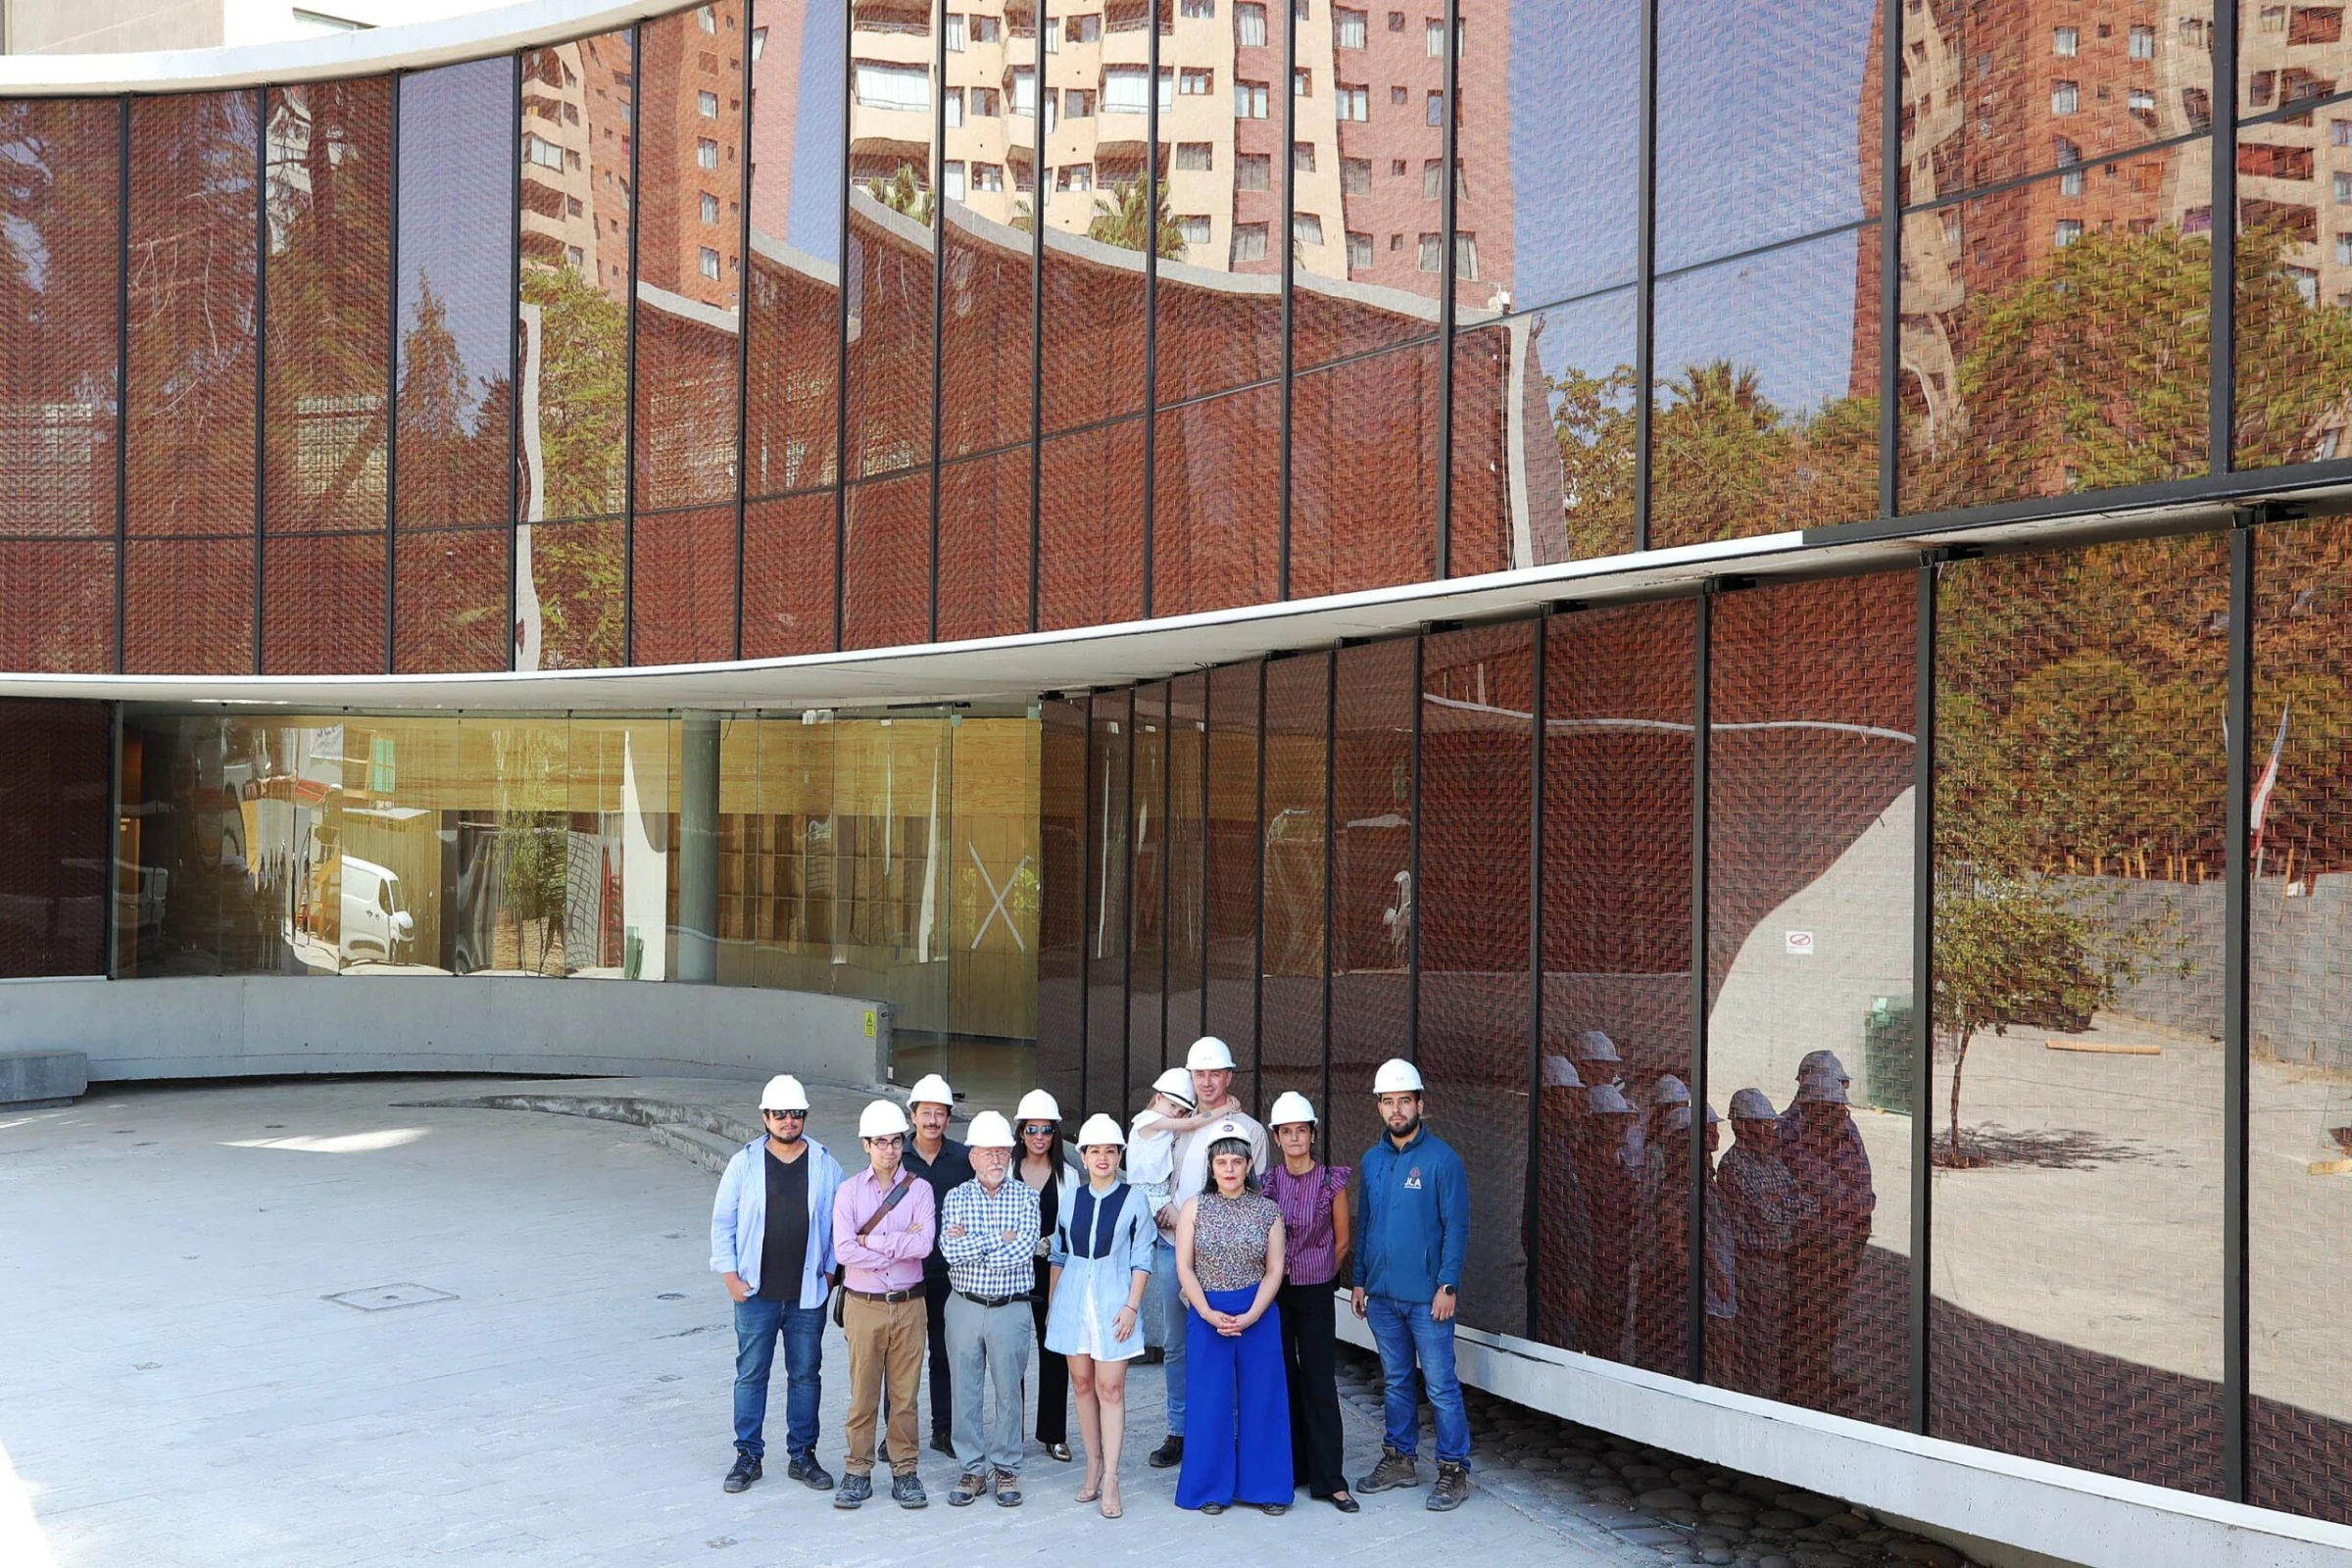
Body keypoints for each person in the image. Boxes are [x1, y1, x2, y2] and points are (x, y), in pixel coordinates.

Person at [709, 1074, 845, 1495]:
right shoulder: (743, 1163)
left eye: (796, 1114)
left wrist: (829, 1273)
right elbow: (723, 1222)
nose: (789, 1120)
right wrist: (730, 1276)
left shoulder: (825, 1162)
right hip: (755, 1293)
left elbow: (843, 1222)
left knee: (806, 1375)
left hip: (807, 1295)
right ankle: (748, 1455)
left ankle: (802, 1454)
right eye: (780, 1114)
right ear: (765, 1117)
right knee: (751, 1375)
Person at [1350, 1058, 1472, 1512]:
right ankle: (1400, 1460)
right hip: (1381, 1296)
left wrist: (1448, 1284)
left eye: (1404, 1100)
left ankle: (1453, 1470)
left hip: (1428, 1298)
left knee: (1440, 1384)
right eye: (1388, 1102)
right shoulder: (1372, 1160)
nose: (1397, 1109)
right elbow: (1367, 1225)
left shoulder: (1442, 1159)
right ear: (1380, 1108)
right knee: (1397, 1381)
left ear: (1420, 1103)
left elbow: (1456, 1227)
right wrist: (1359, 1281)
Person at [1150, 1036, 1269, 1470]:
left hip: (1229, 1260)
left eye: (1215, 1074)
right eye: (1199, 1074)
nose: (1207, 1082)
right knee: (1177, 1345)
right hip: (1171, 1251)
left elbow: (1257, 1197)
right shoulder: (1179, 1121)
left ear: (1228, 1076)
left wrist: (1187, 1219)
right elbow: (1154, 1171)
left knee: (1228, 1342)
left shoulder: (1250, 1131)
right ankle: (1180, 1430)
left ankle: (1227, 1432)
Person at [1174, 1121, 1294, 1514]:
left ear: (1248, 1165)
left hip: (1257, 1311)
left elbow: (1275, 1269)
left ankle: (1268, 1487)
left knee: (1264, 1399)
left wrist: (1253, 1314)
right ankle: (1209, 1487)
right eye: (1221, 1161)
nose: (1228, 1169)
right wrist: (1206, 1311)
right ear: (1211, 1166)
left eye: (1236, 1161)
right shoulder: (1193, 1207)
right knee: (1209, 1400)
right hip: (1207, 1312)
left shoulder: (1267, 1210)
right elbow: (1185, 1267)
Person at [1044, 1112, 1156, 1518]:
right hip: (1074, 1304)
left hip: (1113, 1307)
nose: (1103, 1158)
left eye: (1111, 1151)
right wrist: (1055, 1305)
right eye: (1096, 1151)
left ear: (1119, 1155)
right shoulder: (1070, 1197)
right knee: (1082, 1383)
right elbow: (1059, 1253)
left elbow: (1143, 1259)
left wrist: (1131, 1307)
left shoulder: (1134, 1199)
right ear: (1084, 1156)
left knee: (1111, 1389)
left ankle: (1111, 1477)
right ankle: (1091, 1465)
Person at [830, 1099, 938, 1509]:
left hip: (910, 1304)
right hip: (864, 1304)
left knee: (906, 1395)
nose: (889, 1150)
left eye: (895, 1142)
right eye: (881, 1142)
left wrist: (869, 1242)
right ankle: (857, 1470)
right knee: (863, 1394)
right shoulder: (848, 1192)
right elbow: (843, 1250)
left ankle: (904, 1469)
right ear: (865, 1145)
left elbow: (924, 1245)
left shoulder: (921, 1189)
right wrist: (898, 1245)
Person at [939, 1110, 1042, 1507]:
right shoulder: (956, 1197)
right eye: (987, 1153)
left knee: (1008, 1392)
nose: (996, 1160)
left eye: (1002, 1151)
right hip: (964, 1305)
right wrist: (998, 1237)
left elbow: (1020, 1254)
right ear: (972, 1158)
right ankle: (971, 1469)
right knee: (964, 1390)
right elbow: (951, 1253)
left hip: (1010, 1308)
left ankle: (1006, 1467)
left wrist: (977, 1242)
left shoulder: (1026, 1197)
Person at [1263, 1091, 1356, 1512]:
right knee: (1283, 1378)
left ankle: (1330, 1479)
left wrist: (1315, 1270)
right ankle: (1290, 1470)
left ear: (1312, 1134)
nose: (1295, 1137)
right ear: (1277, 1138)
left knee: (1319, 1380)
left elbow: (1342, 1241)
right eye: (1288, 1131)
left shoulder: (1330, 1180)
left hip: (1316, 1291)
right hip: (1276, 1293)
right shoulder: (1267, 1183)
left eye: (1302, 1130)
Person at [1779, 1053, 1873, 1409]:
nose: (1838, 1108)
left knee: (1829, 1318)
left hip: (1847, 1241)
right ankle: (1799, 1388)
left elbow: (1862, 1175)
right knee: (1804, 1318)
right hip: (1813, 1246)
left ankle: (1820, 1375)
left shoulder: (1846, 1126)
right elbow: (1807, 1191)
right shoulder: (1787, 1132)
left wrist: (1861, 1217)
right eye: (1830, 1104)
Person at [1716, 1088, 1817, 1400]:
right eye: (1762, 1124)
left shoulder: (1772, 1164)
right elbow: (1769, 1215)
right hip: (1751, 1264)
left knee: (1771, 1339)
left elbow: (1809, 1204)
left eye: (1770, 1124)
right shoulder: (1734, 1166)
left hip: (1776, 1263)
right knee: (1753, 1341)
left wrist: (1783, 1202)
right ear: (1742, 1126)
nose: (1770, 1131)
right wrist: (1785, 1203)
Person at [902, 1072, 971, 1458]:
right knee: (900, 1358)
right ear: (912, 1115)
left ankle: (942, 1430)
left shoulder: (963, 1159)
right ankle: (896, 1433)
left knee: (945, 1355)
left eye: (939, 1113)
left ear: (948, 1118)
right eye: (925, 1113)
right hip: (905, 1273)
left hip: (949, 1275)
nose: (932, 1120)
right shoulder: (898, 1156)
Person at [1013, 1087, 1077, 1461]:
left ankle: (1053, 1433)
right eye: (1032, 1129)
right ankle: (1011, 1435)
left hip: (1055, 1272)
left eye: (1047, 1130)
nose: (1039, 1137)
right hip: (1013, 1274)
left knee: (1054, 1352)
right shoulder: (1006, 1168)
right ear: (1020, 1132)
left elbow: (1072, 1229)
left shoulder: (1068, 1175)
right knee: (1012, 1355)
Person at [1128, 1066, 1202, 1362]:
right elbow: (1193, 1124)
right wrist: (1223, 1109)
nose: (1177, 1114)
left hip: (1160, 1197)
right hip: (1149, 1199)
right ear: (1157, 1098)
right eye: (1173, 1106)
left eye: (1182, 1110)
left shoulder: (1165, 1125)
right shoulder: (1148, 1121)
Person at [1576, 1082, 1642, 1361]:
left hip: (1617, 1266)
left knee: (1612, 1339)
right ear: (1596, 1124)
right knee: (1586, 1339)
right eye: (1613, 1122)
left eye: (1622, 1121)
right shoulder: (1584, 1166)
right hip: (1593, 1268)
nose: (1621, 1129)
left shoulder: (1621, 1165)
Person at [1631, 1075, 1691, 1372]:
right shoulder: (1655, 1154)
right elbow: (1649, 1203)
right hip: (1658, 1249)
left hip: (1663, 1246)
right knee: (1655, 1315)